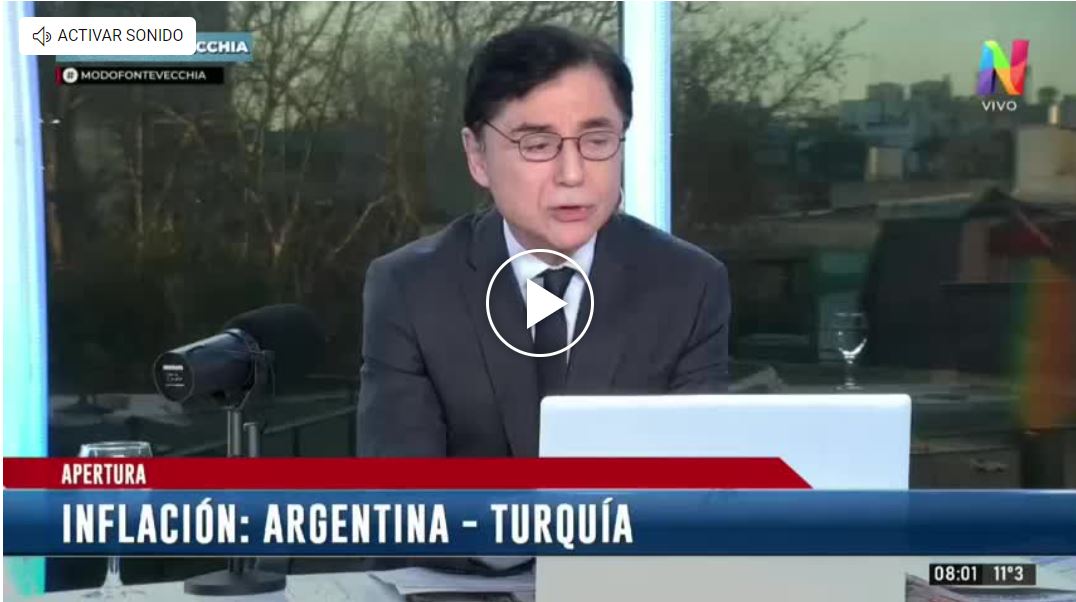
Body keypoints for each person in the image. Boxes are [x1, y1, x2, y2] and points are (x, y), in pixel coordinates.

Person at [357, 24, 731, 459]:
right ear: (478, 156)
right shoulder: (410, 288)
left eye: (597, 141)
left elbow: (694, 480)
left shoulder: (689, 285)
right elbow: (403, 490)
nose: (572, 174)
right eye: (537, 145)